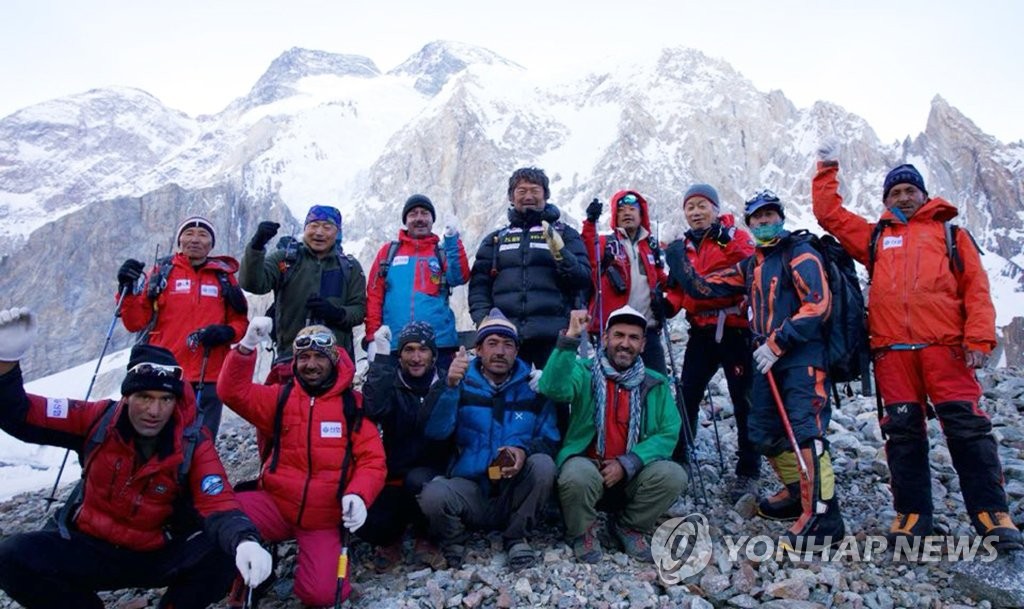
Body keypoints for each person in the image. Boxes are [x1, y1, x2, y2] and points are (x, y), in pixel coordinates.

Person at [812, 140, 1022, 551]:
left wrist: (979, 337)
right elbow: (829, 215)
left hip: (946, 351)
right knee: (903, 434)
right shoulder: (875, 238)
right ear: (887, 200)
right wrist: (827, 167)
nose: (904, 197)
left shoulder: (951, 235)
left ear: (924, 195)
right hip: (893, 354)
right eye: (896, 192)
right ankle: (913, 516)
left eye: (910, 191)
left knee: (968, 429)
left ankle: (992, 515)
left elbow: (976, 289)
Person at [0, 308, 271, 609]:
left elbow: (217, 499)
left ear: (176, 400)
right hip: (91, 547)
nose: (154, 411)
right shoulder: (96, 419)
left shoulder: (193, 440)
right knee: (11, 557)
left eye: (165, 399)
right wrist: (6, 360)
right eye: (144, 397)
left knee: (223, 552)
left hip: (156, 553)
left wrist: (244, 540)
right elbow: (21, 415)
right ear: (126, 397)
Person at [665, 190, 845, 551]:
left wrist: (778, 342)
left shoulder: (800, 252)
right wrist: (679, 268)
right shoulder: (754, 265)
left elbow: (817, 304)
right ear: (750, 223)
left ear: (781, 217)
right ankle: (798, 492)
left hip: (798, 356)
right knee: (763, 429)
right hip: (765, 356)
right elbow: (706, 288)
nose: (764, 223)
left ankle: (825, 515)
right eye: (758, 219)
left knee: (805, 432)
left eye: (770, 216)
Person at [217, 320, 386, 606]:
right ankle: (246, 576)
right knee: (218, 516)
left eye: (320, 356)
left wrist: (359, 494)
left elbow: (373, 460)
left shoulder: (352, 406)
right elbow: (232, 393)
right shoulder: (281, 398)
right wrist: (245, 348)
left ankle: (305, 566)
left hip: (323, 518)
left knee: (323, 595)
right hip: (275, 504)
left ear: (333, 360)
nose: (311, 364)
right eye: (304, 357)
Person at [539, 306, 686, 563]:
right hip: (590, 467)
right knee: (575, 475)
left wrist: (628, 462)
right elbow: (552, 387)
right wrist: (570, 338)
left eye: (633, 338)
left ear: (642, 345)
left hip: (633, 474)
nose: (625, 344)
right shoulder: (583, 371)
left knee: (673, 475)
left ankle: (629, 526)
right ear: (605, 338)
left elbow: (668, 432)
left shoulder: (655, 383)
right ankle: (581, 531)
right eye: (618, 335)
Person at [419, 308, 561, 570]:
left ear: (517, 352)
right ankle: (455, 537)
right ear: (479, 350)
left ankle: (517, 536)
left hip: (514, 489)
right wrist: (449, 387)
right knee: (433, 495)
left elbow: (550, 440)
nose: (500, 351)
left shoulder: (533, 388)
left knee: (543, 465)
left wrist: (522, 452)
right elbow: (435, 432)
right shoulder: (460, 383)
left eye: (508, 345)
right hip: (471, 488)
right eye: (492, 344)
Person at [663, 184, 761, 501]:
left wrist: (719, 240)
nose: (695, 212)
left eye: (702, 205)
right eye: (690, 207)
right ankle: (679, 459)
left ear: (715, 209)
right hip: (701, 331)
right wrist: (667, 304)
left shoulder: (732, 236)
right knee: (687, 393)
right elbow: (677, 287)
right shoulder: (684, 246)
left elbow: (745, 267)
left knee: (742, 399)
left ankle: (748, 471)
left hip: (735, 330)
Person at [117, 215, 249, 437]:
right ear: (179, 240)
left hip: (209, 375)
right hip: (163, 372)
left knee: (202, 442)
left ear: (211, 244)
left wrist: (227, 332)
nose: (195, 239)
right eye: (189, 233)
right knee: (159, 440)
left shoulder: (224, 278)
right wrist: (126, 290)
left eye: (202, 234)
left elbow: (240, 322)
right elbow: (135, 322)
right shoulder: (161, 273)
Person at [468, 167, 592, 369]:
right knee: (509, 399)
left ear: (546, 195)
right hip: (506, 339)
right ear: (511, 196)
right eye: (521, 191)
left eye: (535, 191)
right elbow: (479, 286)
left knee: (554, 397)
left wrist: (562, 255)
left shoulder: (566, 234)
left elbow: (583, 279)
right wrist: (484, 320)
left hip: (553, 337)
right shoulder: (496, 239)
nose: (528, 197)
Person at [359, 321, 452, 571]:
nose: (416, 357)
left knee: (420, 484)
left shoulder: (447, 382)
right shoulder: (392, 383)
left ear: (434, 354)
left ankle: (426, 538)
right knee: (370, 523)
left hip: (436, 472)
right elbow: (372, 408)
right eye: (408, 350)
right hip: (395, 472)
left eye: (423, 350)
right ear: (399, 355)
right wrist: (379, 361)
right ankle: (392, 538)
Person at [239, 205, 366, 363]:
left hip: (336, 359)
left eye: (327, 227)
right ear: (305, 229)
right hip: (290, 357)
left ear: (337, 232)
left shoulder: (350, 267)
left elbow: (359, 311)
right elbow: (253, 284)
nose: (319, 232)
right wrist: (256, 246)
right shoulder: (285, 259)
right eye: (313, 226)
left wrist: (336, 313)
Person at [364, 194, 470, 371]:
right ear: (405, 220)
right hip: (395, 344)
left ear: (432, 220)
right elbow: (374, 297)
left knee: (441, 395)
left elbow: (459, 277)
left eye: (424, 213)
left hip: (439, 344)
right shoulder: (388, 253)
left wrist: (452, 240)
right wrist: (373, 338)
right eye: (413, 214)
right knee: (395, 397)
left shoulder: (441, 252)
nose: (419, 218)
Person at [582, 190, 669, 374]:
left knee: (656, 380)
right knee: (611, 384)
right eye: (621, 210)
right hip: (612, 329)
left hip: (648, 329)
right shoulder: (605, 243)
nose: (627, 213)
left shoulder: (651, 249)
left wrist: (669, 305)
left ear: (641, 215)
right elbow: (588, 253)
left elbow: (663, 280)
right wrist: (590, 223)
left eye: (632, 209)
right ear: (615, 215)